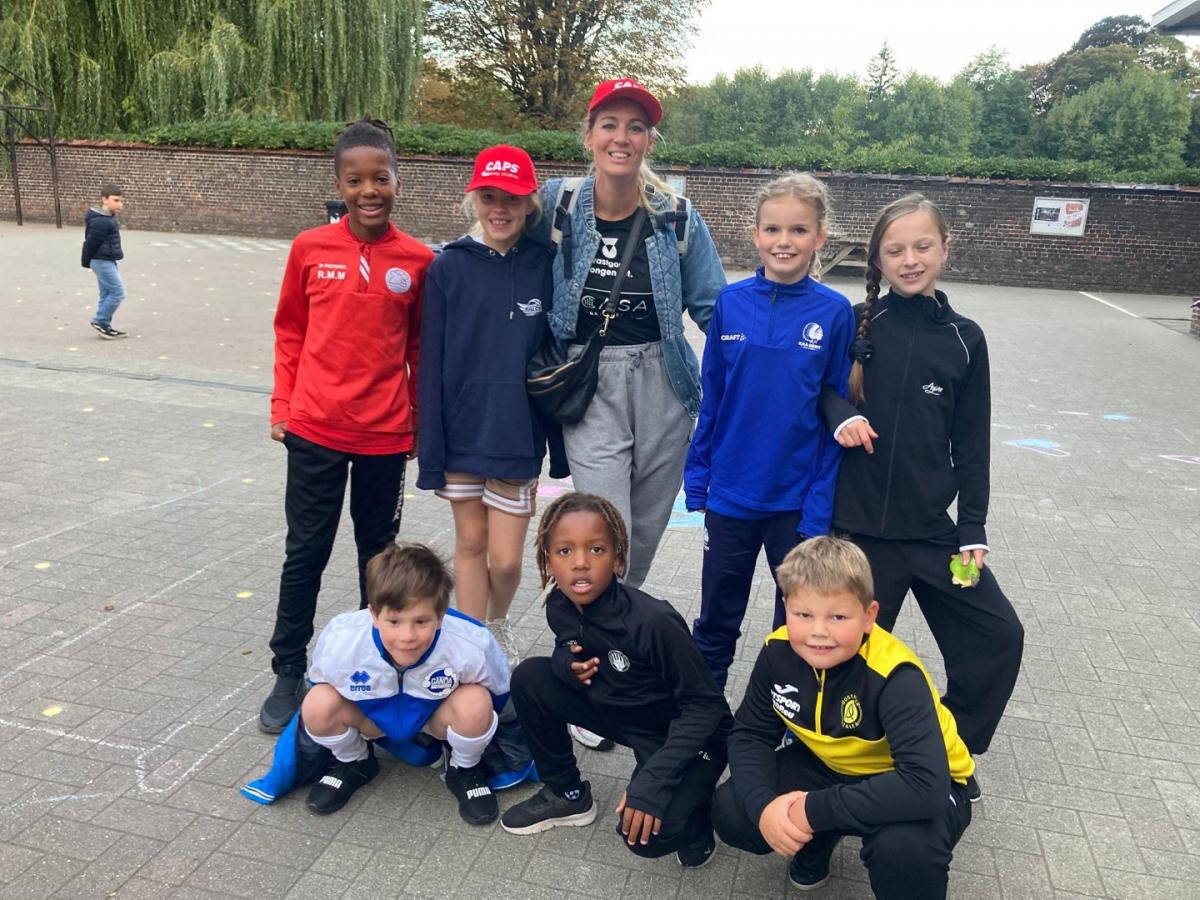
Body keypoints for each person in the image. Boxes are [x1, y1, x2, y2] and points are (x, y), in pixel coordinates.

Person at [819, 193, 1024, 800]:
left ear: (944, 249)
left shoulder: (965, 339)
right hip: (858, 537)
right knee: (847, 657)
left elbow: (973, 442)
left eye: (922, 246)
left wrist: (973, 527)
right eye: (894, 250)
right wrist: (839, 415)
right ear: (877, 260)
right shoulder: (856, 322)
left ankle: (947, 748)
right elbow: (818, 390)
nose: (909, 260)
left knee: (998, 637)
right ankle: (840, 759)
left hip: (936, 535)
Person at [260, 117, 434, 733]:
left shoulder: (418, 261)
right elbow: (290, 331)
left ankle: (375, 662)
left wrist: (417, 420)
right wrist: (283, 407)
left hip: (384, 434)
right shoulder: (309, 249)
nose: (369, 191)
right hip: (314, 429)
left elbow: (420, 350)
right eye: (355, 180)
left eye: (380, 178)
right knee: (305, 550)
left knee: (378, 559)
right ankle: (289, 668)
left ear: (397, 180)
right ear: (338, 184)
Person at [532, 77, 726, 591]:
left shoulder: (677, 218)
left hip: (665, 381)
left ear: (648, 142)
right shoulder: (557, 203)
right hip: (587, 382)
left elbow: (717, 313)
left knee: (643, 533)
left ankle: (618, 622)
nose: (622, 137)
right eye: (609, 125)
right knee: (604, 525)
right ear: (589, 136)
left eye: (636, 128)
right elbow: (498, 240)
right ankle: (594, 620)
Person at [711, 536, 974, 898]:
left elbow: (925, 787)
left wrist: (812, 810)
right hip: (831, 765)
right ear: (785, 607)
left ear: (869, 616)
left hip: (920, 779)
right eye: (804, 615)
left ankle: (827, 826)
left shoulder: (896, 676)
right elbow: (750, 734)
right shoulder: (777, 651)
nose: (819, 631)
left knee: (904, 852)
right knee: (733, 810)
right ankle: (819, 840)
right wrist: (764, 808)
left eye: (838, 616)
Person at [499, 492, 732, 869]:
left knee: (643, 835)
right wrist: (564, 665)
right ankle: (566, 794)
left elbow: (706, 707)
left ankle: (698, 819)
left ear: (618, 559)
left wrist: (654, 782)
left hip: (684, 733)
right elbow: (566, 645)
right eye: (564, 551)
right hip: (622, 713)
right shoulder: (559, 604)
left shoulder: (653, 622)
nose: (580, 563)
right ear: (547, 561)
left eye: (596, 550)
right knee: (530, 677)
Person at [685, 173, 854, 689]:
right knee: (717, 617)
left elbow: (835, 414)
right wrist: (699, 475)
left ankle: (785, 716)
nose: (785, 241)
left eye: (799, 230)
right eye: (773, 229)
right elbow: (713, 397)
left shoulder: (834, 313)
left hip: (795, 503)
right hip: (731, 496)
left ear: (820, 237)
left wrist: (819, 505)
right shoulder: (731, 304)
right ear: (756, 234)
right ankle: (704, 712)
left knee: (798, 623)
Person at [417, 144, 565, 667]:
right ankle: (469, 643)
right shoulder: (447, 267)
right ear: (474, 200)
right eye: (489, 197)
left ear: (530, 204)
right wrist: (430, 445)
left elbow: (557, 352)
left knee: (504, 561)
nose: (500, 209)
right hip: (461, 431)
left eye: (512, 199)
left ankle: (495, 623)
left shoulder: (546, 265)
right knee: (471, 543)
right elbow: (431, 360)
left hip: (516, 434)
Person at [241, 544, 512, 825]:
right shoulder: (342, 639)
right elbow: (321, 682)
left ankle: (464, 769)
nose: (407, 636)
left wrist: (476, 729)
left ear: (441, 615)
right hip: (372, 720)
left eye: (421, 621)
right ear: (372, 614)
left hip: (435, 721)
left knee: (476, 702)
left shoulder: (470, 641)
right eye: (394, 621)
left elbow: (500, 693)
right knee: (318, 703)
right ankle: (355, 762)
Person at [81, 183, 128, 339]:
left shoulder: (107, 218)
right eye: (116, 200)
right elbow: (91, 243)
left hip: (107, 259)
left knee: (106, 293)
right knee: (118, 292)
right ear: (104, 199)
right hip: (101, 261)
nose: (120, 204)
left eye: (121, 201)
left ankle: (105, 326)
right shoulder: (101, 221)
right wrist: (87, 261)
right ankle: (100, 321)